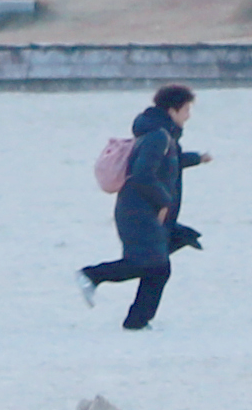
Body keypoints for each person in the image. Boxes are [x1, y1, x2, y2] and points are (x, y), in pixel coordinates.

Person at [80, 84, 214, 332]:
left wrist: (197, 158)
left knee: (159, 265)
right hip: (138, 211)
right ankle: (91, 276)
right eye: (186, 109)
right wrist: (164, 201)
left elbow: (168, 164)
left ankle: (137, 323)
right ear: (173, 110)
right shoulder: (158, 136)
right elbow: (142, 174)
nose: (188, 115)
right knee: (149, 264)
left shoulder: (160, 134)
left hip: (146, 210)